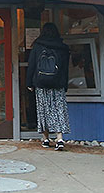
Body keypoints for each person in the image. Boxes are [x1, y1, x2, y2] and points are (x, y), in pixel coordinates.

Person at [26, 22, 71, 150]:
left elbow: (32, 65)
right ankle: (59, 138)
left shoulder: (38, 45)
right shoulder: (62, 47)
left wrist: (29, 82)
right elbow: (65, 68)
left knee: (43, 110)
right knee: (58, 110)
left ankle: (45, 139)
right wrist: (65, 84)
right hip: (58, 83)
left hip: (41, 83)